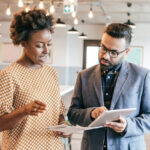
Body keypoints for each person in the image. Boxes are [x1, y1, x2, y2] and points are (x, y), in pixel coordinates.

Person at [67, 23, 150, 150]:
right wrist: (92, 113)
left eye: (113, 52)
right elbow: (72, 114)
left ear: (127, 52)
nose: (105, 55)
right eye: (103, 48)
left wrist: (128, 125)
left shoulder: (142, 75)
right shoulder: (84, 76)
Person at [0, 9, 71, 150]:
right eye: (39, 45)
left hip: (53, 146)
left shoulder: (51, 73)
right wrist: (24, 111)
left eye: (49, 44)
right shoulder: (9, 75)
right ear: (23, 43)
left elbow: (58, 114)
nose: (46, 51)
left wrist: (64, 126)